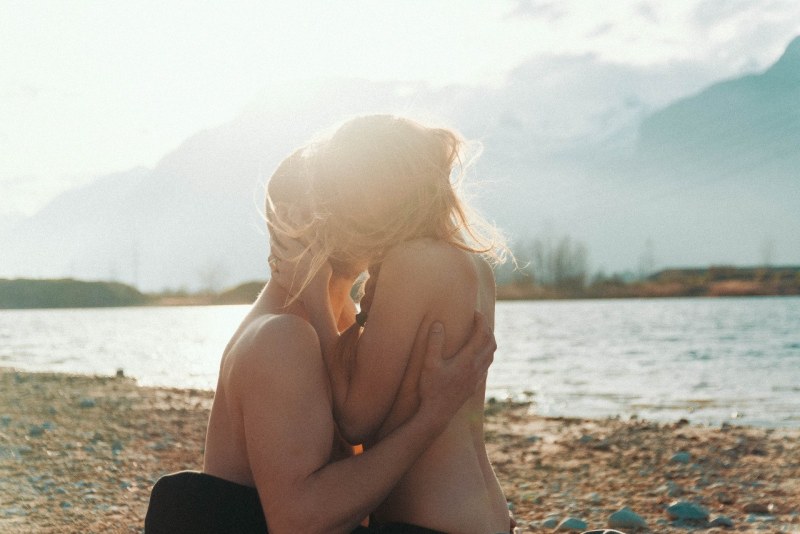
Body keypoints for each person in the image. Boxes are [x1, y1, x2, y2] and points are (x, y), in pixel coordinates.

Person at [144, 150, 498, 534]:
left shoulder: (331, 323)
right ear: (296, 220)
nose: (375, 217)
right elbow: (299, 522)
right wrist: (431, 417)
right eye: (354, 205)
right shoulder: (282, 336)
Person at [269, 115, 512, 534]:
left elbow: (356, 418)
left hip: (428, 523)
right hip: (482, 515)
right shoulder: (470, 263)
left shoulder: (412, 262)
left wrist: (316, 297)